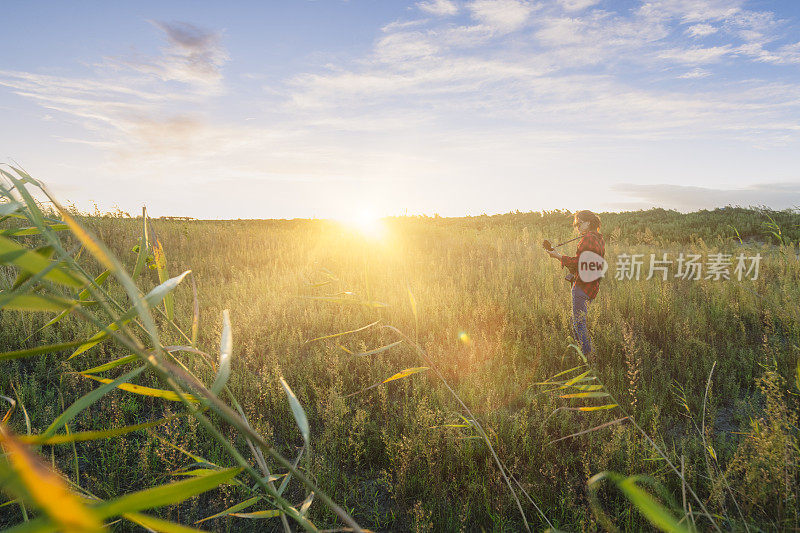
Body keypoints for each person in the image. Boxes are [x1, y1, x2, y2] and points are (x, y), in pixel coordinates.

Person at [545, 210, 605, 359]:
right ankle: (582, 354)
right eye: (576, 224)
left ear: (588, 223)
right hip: (592, 287)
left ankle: (587, 357)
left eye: (579, 223)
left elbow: (578, 264)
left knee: (578, 322)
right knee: (578, 321)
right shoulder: (598, 239)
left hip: (582, 287)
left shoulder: (587, 240)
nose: (577, 227)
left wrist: (558, 256)